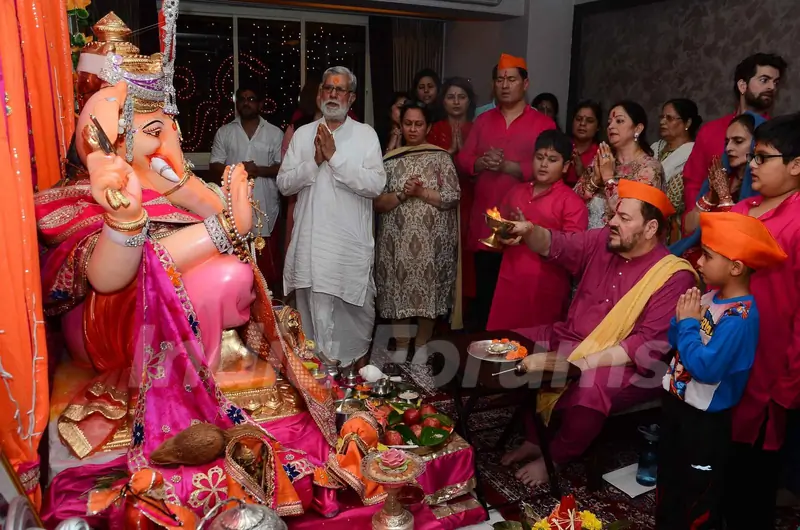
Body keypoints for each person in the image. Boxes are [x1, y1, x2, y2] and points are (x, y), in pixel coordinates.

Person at [36, 16, 338, 521]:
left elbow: (217, 218)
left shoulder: (160, 177)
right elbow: (113, 278)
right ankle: (183, 381)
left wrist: (197, 195)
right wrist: (137, 221)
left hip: (174, 312)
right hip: (110, 325)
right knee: (222, 273)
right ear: (112, 135)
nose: (167, 139)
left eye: (168, 127)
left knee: (234, 275)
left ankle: (203, 368)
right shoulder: (87, 193)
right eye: (154, 129)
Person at [498, 180, 697, 486]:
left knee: (590, 386)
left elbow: (645, 346)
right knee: (512, 343)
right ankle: (534, 439)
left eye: (625, 218)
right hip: (570, 340)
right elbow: (558, 244)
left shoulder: (673, 276)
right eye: (615, 214)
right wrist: (529, 231)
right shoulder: (604, 240)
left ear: (650, 228)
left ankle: (556, 457)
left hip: (627, 365)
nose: (612, 222)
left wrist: (577, 365)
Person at [656, 212, 786, 529]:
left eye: (708, 256)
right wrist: (680, 319)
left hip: (704, 423)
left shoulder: (740, 318)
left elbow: (706, 368)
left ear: (736, 267)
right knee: (669, 479)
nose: (698, 261)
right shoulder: (712, 296)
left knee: (696, 493)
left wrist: (688, 323)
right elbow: (677, 342)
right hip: (678, 406)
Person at [278, 66, 386, 366]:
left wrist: (334, 158)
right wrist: (314, 161)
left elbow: (376, 185)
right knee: (313, 316)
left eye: (340, 90)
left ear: (351, 98)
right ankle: (321, 385)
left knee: (356, 317)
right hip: (312, 246)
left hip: (347, 247)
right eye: (328, 88)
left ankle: (350, 382)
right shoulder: (302, 136)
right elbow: (284, 185)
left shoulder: (365, 136)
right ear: (318, 94)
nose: (333, 95)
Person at [723, 113, 800, 529]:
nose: (751, 164)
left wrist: (790, 381)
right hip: (723, 353)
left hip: (770, 364)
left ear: (796, 164)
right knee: (716, 457)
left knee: (753, 472)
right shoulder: (742, 207)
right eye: (752, 155)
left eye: (763, 157)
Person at [455, 53, 556, 332]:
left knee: (519, 295)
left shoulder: (542, 124)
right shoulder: (484, 120)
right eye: (499, 79)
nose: (505, 84)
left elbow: (554, 165)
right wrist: (479, 162)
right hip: (486, 219)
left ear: (525, 83)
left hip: (524, 221)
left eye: (511, 79)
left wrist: (513, 167)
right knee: (485, 293)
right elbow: (463, 159)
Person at [374, 100, 460, 351]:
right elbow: (377, 203)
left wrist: (421, 191)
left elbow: (453, 196)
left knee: (428, 296)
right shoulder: (388, 160)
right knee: (398, 293)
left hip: (432, 247)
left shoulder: (441, 158)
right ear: (400, 126)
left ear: (428, 126)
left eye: (418, 124)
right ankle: (401, 350)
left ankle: (422, 349)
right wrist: (402, 194)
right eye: (408, 124)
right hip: (396, 246)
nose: (413, 129)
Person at [487, 130, 587, 331]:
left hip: (545, 287)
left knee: (535, 349)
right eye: (539, 158)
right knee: (500, 344)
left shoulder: (572, 203)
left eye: (552, 160)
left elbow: (574, 251)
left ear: (566, 166)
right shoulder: (516, 192)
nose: (543, 164)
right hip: (510, 281)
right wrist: (503, 234)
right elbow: (499, 230)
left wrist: (531, 235)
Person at [681, 53, 787, 231]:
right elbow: (693, 181)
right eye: (764, 80)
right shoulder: (711, 131)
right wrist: (698, 220)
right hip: (704, 228)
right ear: (742, 85)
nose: (771, 87)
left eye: (775, 83)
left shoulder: (778, 134)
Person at [210, 85, 284, 287]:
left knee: (268, 265)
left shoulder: (275, 133)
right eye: (242, 99)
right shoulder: (225, 132)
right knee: (237, 260)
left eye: (251, 99)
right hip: (234, 206)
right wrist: (240, 169)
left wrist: (257, 171)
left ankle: (270, 307)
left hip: (266, 204)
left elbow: (283, 167)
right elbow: (214, 164)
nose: (246, 103)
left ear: (260, 104)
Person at [670, 113, 766, 264]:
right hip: (700, 256)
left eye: (738, 141)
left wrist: (725, 198)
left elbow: (739, 238)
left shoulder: (762, 184)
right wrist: (710, 197)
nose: (728, 148)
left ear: (757, 144)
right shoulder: (723, 177)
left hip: (734, 264)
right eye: (726, 142)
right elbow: (689, 228)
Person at [427, 78, 477, 316]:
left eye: (462, 97)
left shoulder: (477, 128)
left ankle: (463, 311)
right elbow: (427, 169)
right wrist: (451, 153)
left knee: (466, 253)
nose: (456, 102)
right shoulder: (435, 129)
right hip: (439, 202)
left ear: (469, 101)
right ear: (443, 101)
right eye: (451, 97)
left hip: (471, 198)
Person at [575, 101, 664, 229]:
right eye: (609, 122)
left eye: (619, 121)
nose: (611, 126)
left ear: (638, 128)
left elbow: (633, 215)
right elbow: (573, 200)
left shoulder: (649, 169)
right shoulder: (602, 160)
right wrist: (595, 179)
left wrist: (608, 179)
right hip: (588, 240)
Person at [654, 98, 702, 208]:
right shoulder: (654, 148)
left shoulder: (692, 154)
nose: (662, 122)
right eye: (662, 117)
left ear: (687, 123)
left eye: (669, 118)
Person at [566, 100, 602, 187]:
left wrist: (582, 173)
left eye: (589, 121)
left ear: (598, 127)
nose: (582, 124)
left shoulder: (601, 155)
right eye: (578, 119)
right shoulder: (560, 146)